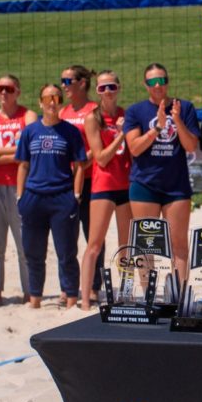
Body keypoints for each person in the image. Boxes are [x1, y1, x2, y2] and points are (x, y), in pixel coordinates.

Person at [123, 63, 200, 280]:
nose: (158, 86)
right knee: (146, 247)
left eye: (161, 80)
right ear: (145, 84)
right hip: (144, 185)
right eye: (152, 82)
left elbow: (191, 146)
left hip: (176, 186)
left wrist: (176, 121)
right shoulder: (136, 111)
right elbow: (135, 148)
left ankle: (180, 299)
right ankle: (149, 299)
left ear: (167, 81)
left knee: (179, 247)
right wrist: (158, 127)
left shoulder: (184, 108)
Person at [15, 83, 87, 309]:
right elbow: (23, 166)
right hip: (34, 197)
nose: (52, 102)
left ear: (60, 102)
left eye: (56, 97)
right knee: (33, 252)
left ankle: (71, 298)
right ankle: (35, 298)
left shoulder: (70, 131)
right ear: (40, 103)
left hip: (62, 197)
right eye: (47, 98)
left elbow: (80, 165)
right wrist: (20, 197)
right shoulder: (30, 131)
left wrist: (75, 194)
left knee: (66, 252)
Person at [0, 74, 37, 305]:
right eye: (0, 88)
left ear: (18, 91)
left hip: (21, 185)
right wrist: (16, 151)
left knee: (24, 243)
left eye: (8, 88)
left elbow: (30, 150)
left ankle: (29, 292)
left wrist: (3, 152)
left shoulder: (29, 115)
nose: (3, 93)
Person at [80, 70, 131, 311]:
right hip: (103, 187)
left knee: (125, 246)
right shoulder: (93, 119)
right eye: (102, 88)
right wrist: (122, 135)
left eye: (111, 86)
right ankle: (85, 300)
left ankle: (125, 294)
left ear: (118, 88)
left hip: (126, 185)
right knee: (94, 245)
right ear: (97, 92)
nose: (107, 91)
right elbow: (100, 158)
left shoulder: (126, 114)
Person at [58, 64, 101, 300]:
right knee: (66, 237)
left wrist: (82, 163)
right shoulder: (64, 113)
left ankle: (94, 286)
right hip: (66, 180)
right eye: (62, 81)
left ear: (81, 83)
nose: (63, 86)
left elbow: (98, 146)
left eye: (67, 81)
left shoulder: (93, 110)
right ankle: (68, 286)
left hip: (90, 178)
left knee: (93, 236)